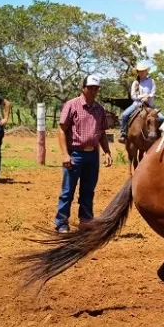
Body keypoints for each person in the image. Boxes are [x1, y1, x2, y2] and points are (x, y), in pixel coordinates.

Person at [54, 74, 113, 233]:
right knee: (68, 191)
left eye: (96, 88)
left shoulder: (99, 109)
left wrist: (107, 151)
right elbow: (61, 130)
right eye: (90, 88)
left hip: (93, 155)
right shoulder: (72, 105)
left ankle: (86, 222)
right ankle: (61, 223)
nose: (93, 91)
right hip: (75, 154)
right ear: (83, 88)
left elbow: (101, 133)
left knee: (88, 191)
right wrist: (65, 154)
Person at [118, 63, 164, 143]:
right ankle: (123, 133)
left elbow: (153, 92)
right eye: (140, 71)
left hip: (150, 105)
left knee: (161, 118)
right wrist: (142, 97)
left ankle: (158, 134)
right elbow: (133, 96)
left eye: (143, 71)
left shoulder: (151, 81)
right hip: (137, 104)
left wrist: (148, 96)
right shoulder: (135, 83)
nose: (142, 72)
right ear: (138, 72)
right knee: (125, 115)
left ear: (146, 71)